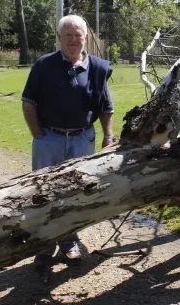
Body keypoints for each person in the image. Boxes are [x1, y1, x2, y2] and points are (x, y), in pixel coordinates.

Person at [21, 14, 115, 267]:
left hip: (82, 140)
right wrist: (38, 135)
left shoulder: (97, 68)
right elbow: (29, 102)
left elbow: (106, 106)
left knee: (75, 193)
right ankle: (44, 245)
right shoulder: (44, 65)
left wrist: (108, 136)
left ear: (86, 37)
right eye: (68, 35)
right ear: (59, 38)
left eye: (78, 35)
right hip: (49, 139)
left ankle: (69, 242)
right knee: (42, 191)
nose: (74, 40)